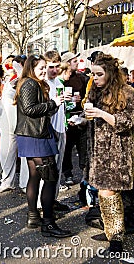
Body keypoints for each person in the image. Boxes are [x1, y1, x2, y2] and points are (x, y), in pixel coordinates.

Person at [14, 55, 72, 238]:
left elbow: (42, 109)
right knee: (50, 177)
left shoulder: (35, 83)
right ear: (31, 67)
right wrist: (53, 102)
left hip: (34, 134)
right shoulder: (29, 83)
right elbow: (30, 109)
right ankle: (48, 223)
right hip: (35, 136)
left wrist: (57, 102)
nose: (44, 70)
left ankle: (34, 217)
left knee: (36, 176)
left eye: (45, 66)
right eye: (41, 67)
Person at [84, 54, 134, 253]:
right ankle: (114, 234)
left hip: (119, 152)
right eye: (92, 74)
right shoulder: (95, 92)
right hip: (98, 152)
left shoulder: (128, 92)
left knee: (109, 192)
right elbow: (91, 117)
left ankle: (116, 239)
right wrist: (83, 119)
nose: (94, 78)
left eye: (99, 74)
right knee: (107, 192)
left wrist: (102, 114)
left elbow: (127, 122)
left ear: (110, 74)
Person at [0, 55, 29, 194]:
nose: (9, 66)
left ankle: (25, 183)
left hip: (21, 119)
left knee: (26, 154)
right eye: (8, 64)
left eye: (13, 64)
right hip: (7, 120)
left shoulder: (24, 78)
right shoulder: (8, 79)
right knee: (6, 152)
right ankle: (7, 181)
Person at [43, 51, 71, 211]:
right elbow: (45, 110)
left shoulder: (59, 83)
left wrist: (71, 102)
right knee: (48, 171)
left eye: (57, 66)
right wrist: (56, 103)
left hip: (61, 128)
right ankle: (44, 205)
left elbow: (63, 108)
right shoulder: (44, 84)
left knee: (58, 168)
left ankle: (53, 200)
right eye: (50, 67)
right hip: (50, 130)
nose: (54, 70)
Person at [61, 52, 88, 185]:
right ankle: (68, 173)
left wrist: (81, 100)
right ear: (67, 63)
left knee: (83, 146)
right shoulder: (62, 80)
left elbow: (87, 96)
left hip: (80, 115)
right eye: (74, 61)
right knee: (67, 148)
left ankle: (84, 172)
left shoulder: (81, 78)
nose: (77, 63)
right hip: (67, 117)